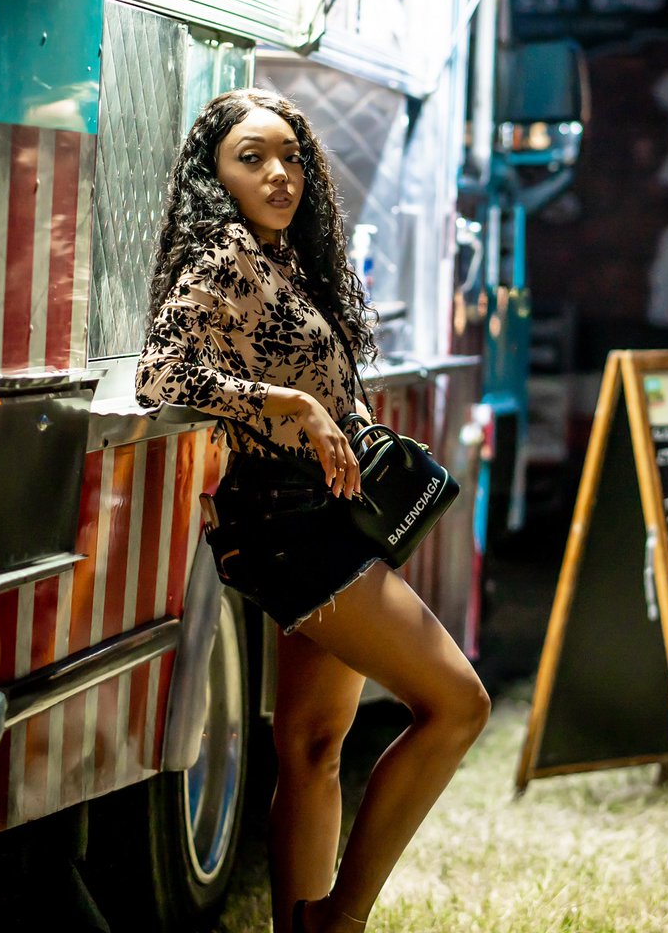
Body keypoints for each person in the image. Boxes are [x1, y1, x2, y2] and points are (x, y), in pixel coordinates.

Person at [136, 89, 490, 933]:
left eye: (291, 156)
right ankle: (341, 920)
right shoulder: (221, 258)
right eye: (251, 157)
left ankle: (307, 925)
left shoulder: (284, 257)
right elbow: (160, 375)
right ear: (213, 174)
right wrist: (285, 403)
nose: (279, 173)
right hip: (287, 524)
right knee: (457, 705)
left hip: (321, 518)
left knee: (312, 749)